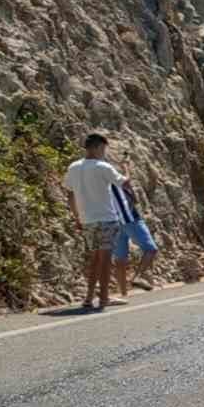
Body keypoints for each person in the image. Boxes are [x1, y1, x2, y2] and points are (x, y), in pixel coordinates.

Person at [62, 133, 126, 311]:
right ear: (98, 147)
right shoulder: (102, 166)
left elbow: (70, 194)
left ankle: (89, 297)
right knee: (105, 260)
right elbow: (123, 183)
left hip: (87, 220)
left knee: (95, 260)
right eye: (104, 149)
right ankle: (104, 298)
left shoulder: (73, 167)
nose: (104, 153)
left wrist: (77, 217)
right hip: (106, 218)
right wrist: (126, 170)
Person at [110, 156, 159, 296]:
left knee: (120, 259)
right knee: (151, 249)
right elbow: (127, 182)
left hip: (113, 222)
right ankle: (138, 276)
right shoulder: (114, 180)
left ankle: (123, 293)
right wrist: (126, 166)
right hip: (129, 218)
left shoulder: (98, 184)